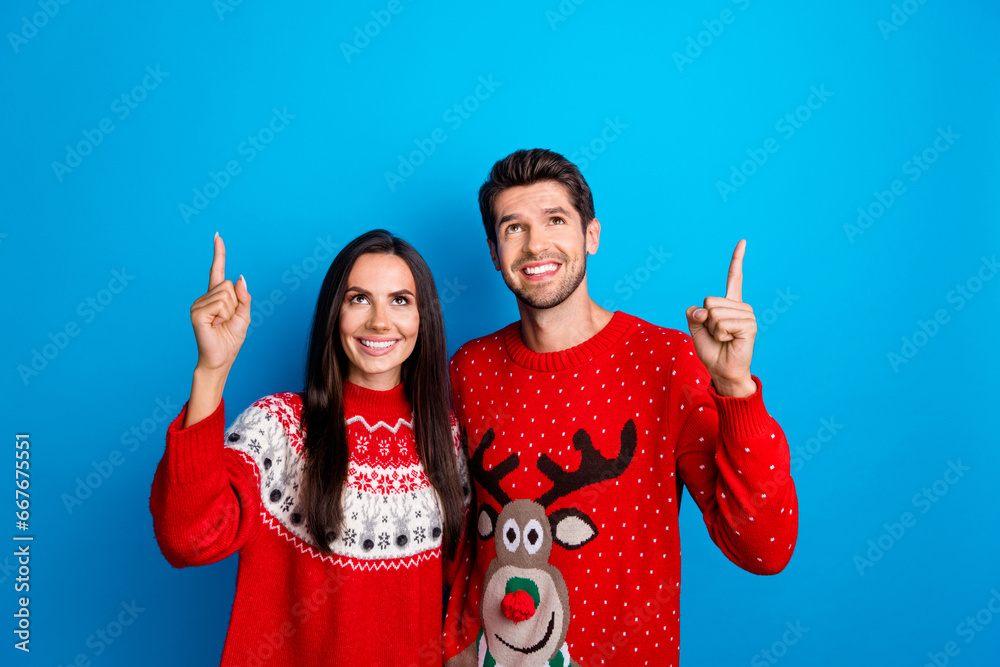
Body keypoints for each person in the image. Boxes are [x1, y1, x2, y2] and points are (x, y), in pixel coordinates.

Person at [442, 149, 799, 667]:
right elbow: (448, 541)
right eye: (513, 228)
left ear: (592, 235)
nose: (535, 243)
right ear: (495, 253)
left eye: (555, 220)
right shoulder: (467, 370)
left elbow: (764, 549)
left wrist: (736, 387)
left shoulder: (669, 361)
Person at [150, 229, 472, 666]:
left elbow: (470, 590)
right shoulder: (279, 428)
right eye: (359, 299)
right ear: (333, 314)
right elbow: (187, 539)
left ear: (423, 318)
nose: (380, 321)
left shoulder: (446, 440)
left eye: (400, 300)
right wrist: (212, 370)